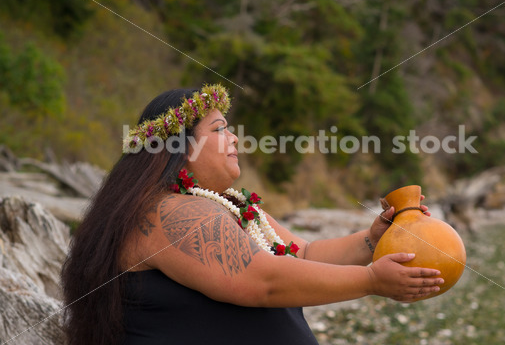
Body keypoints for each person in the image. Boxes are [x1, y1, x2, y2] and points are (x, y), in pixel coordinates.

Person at [61, 84, 443, 345]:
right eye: (220, 129)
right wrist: (372, 281)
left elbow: (302, 256)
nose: (235, 139)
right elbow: (263, 281)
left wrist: (371, 241)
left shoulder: (225, 204)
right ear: (178, 145)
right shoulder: (166, 212)